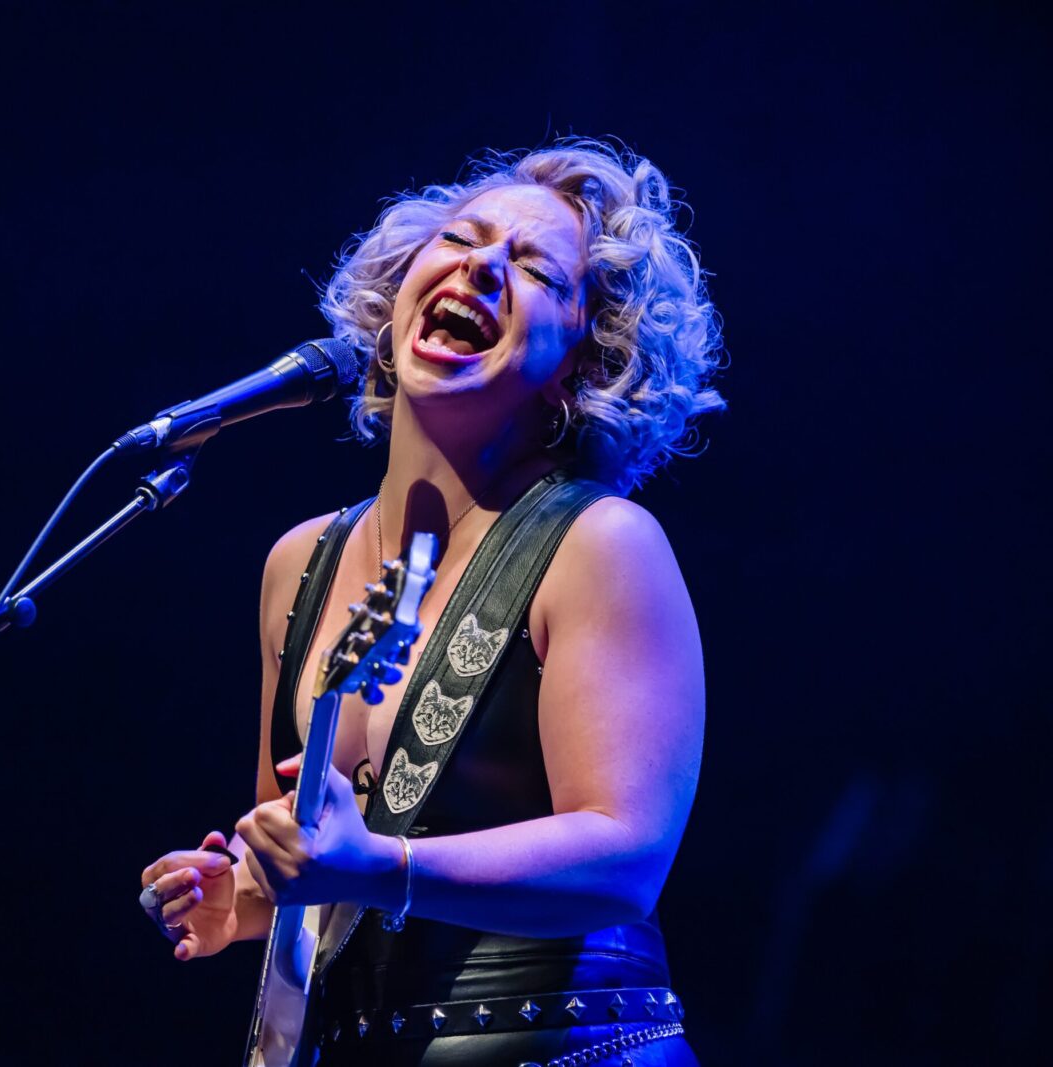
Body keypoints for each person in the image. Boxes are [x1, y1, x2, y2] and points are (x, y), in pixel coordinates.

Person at [139, 139, 724, 1066]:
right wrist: (243, 893)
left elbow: (626, 854)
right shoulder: (300, 564)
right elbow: (305, 846)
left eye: (534, 269)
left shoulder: (601, 545)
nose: (482, 264)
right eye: (461, 237)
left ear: (585, 360)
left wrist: (389, 869)